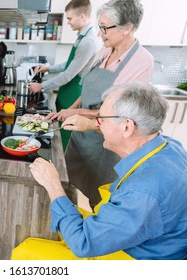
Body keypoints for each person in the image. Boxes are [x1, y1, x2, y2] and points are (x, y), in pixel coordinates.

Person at [12, 82, 187, 260]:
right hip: (147, 237)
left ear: (126, 127)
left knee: (25, 251)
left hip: (137, 259)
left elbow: (83, 243)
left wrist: (54, 186)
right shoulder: (169, 145)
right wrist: (91, 125)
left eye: (101, 119)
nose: (98, 123)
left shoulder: (142, 192)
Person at [45, 0, 154, 208]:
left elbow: (117, 115)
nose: (99, 33)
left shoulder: (142, 61)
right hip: (82, 136)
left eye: (104, 28)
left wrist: (77, 113)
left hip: (106, 142)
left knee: (101, 201)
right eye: (99, 26)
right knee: (68, 187)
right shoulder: (105, 50)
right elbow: (86, 87)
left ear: (127, 28)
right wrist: (70, 110)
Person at [29, 0, 102, 150]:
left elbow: (69, 74)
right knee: (60, 129)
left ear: (82, 16)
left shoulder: (88, 42)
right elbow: (69, 64)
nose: (68, 23)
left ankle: (61, 167)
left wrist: (41, 86)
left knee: (65, 132)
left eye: (69, 18)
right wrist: (47, 68)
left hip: (74, 93)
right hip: (67, 90)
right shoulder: (82, 37)